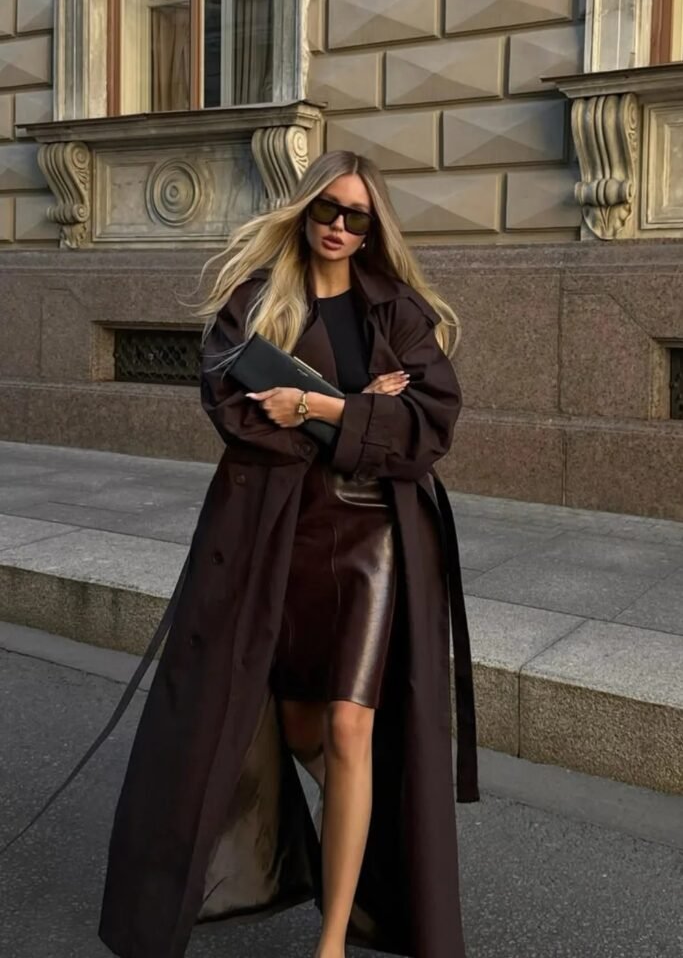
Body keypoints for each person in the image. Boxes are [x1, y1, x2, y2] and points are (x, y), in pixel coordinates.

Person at [97, 150, 479, 958]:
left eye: (356, 215)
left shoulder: (397, 310)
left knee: (347, 724)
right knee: (297, 720)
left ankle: (331, 940)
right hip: (277, 534)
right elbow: (235, 414)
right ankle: (364, 826)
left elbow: (427, 428)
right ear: (304, 212)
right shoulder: (254, 302)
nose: (338, 226)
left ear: (373, 228)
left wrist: (314, 404)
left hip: (374, 537)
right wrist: (360, 412)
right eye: (326, 209)